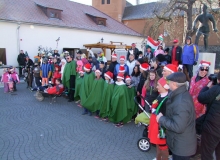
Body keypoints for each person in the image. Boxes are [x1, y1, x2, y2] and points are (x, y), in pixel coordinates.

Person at [157, 72, 197, 160]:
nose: (168, 83)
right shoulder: (181, 93)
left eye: (169, 82)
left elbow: (178, 126)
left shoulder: (181, 102)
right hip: (180, 143)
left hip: (182, 148)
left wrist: (161, 119)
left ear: (174, 84)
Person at [198, 71, 220, 160]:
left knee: (207, 153)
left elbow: (201, 98)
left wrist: (207, 87)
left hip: (212, 129)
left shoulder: (216, 89)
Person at [148, 77, 169, 160]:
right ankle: (158, 158)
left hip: (160, 127)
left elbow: (164, 114)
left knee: (163, 146)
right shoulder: (160, 95)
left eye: (158, 85)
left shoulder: (167, 99)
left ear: (164, 87)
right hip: (155, 125)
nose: (156, 87)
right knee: (157, 143)